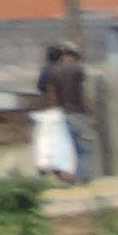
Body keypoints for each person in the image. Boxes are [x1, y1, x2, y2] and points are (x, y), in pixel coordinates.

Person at [30, 33, 92, 183]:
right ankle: (80, 176)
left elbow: (43, 90)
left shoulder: (47, 71)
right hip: (76, 112)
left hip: (56, 115)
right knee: (81, 147)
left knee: (53, 147)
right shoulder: (76, 69)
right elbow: (83, 94)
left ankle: (53, 177)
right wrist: (91, 113)